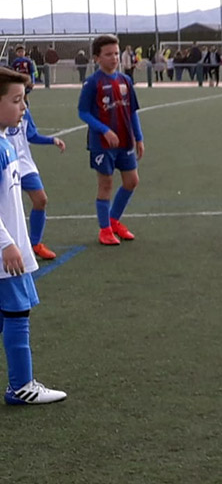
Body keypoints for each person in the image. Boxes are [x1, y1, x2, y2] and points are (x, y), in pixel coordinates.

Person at [0, 67, 67, 405]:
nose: (23, 107)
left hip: (11, 248)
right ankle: (21, 386)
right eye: (16, 100)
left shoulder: (6, 143)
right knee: (17, 312)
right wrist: (6, 243)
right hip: (5, 254)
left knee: (9, 315)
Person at [77, 34, 144, 246]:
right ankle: (104, 229)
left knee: (132, 181)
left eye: (116, 53)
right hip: (102, 144)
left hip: (125, 140)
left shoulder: (125, 81)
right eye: (108, 54)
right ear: (97, 58)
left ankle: (113, 221)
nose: (114, 58)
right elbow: (83, 112)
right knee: (105, 184)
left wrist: (139, 137)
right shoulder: (92, 83)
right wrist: (104, 130)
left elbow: (132, 111)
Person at [7, 83, 66, 260]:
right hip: (6, 163)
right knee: (8, 207)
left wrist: (52, 140)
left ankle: (35, 244)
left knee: (41, 200)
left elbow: (31, 135)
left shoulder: (24, 111)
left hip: (24, 164)